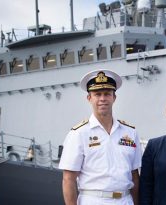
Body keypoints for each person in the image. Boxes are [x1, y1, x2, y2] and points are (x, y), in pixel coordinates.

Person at [59, 69, 142, 205]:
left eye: (107, 94)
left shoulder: (130, 132)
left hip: (125, 200)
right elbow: (68, 179)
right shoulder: (79, 133)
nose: (102, 99)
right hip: (93, 200)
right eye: (97, 94)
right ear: (89, 98)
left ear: (114, 98)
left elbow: (135, 176)